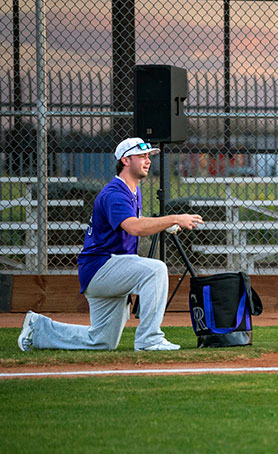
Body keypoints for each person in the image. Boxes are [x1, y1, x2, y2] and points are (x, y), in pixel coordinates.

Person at [17, 137, 204, 352]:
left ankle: (38, 329)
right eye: (141, 156)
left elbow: (135, 227)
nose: (148, 160)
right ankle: (149, 339)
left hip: (107, 268)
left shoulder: (132, 190)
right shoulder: (115, 193)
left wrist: (164, 224)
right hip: (101, 267)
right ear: (125, 160)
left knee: (102, 340)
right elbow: (134, 227)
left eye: (148, 156)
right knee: (155, 270)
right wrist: (173, 218)